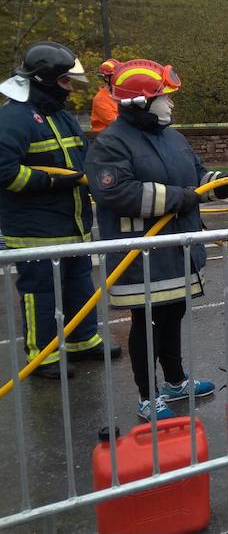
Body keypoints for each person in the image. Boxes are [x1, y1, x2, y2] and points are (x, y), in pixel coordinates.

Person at [86, 58, 228, 420]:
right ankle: (148, 397)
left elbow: (198, 180)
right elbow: (121, 194)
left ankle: (175, 382)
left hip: (176, 250)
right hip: (141, 257)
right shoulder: (111, 144)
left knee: (173, 314)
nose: (171, 103)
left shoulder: (173, 138)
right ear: (142, 102)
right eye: (164, 96)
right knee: (145, 322)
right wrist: (182, 198)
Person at [0, 41, 122, 379]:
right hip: (34, 231)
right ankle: (43, 356)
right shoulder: (12, 119)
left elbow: (83, 160)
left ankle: (83, 341)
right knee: (41, 293)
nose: (69, 90)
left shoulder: (60, 116)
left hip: (72, 224)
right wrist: (54, 182)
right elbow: (5, 172)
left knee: (79, 285)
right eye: (65, 82)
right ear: (44, 79)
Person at [91, 58, 120, 132]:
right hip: (105, 140)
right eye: (116, 76)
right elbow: (116, 122)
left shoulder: (120, 96)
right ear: (107, 78)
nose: (119, 79)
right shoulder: (100, 99)